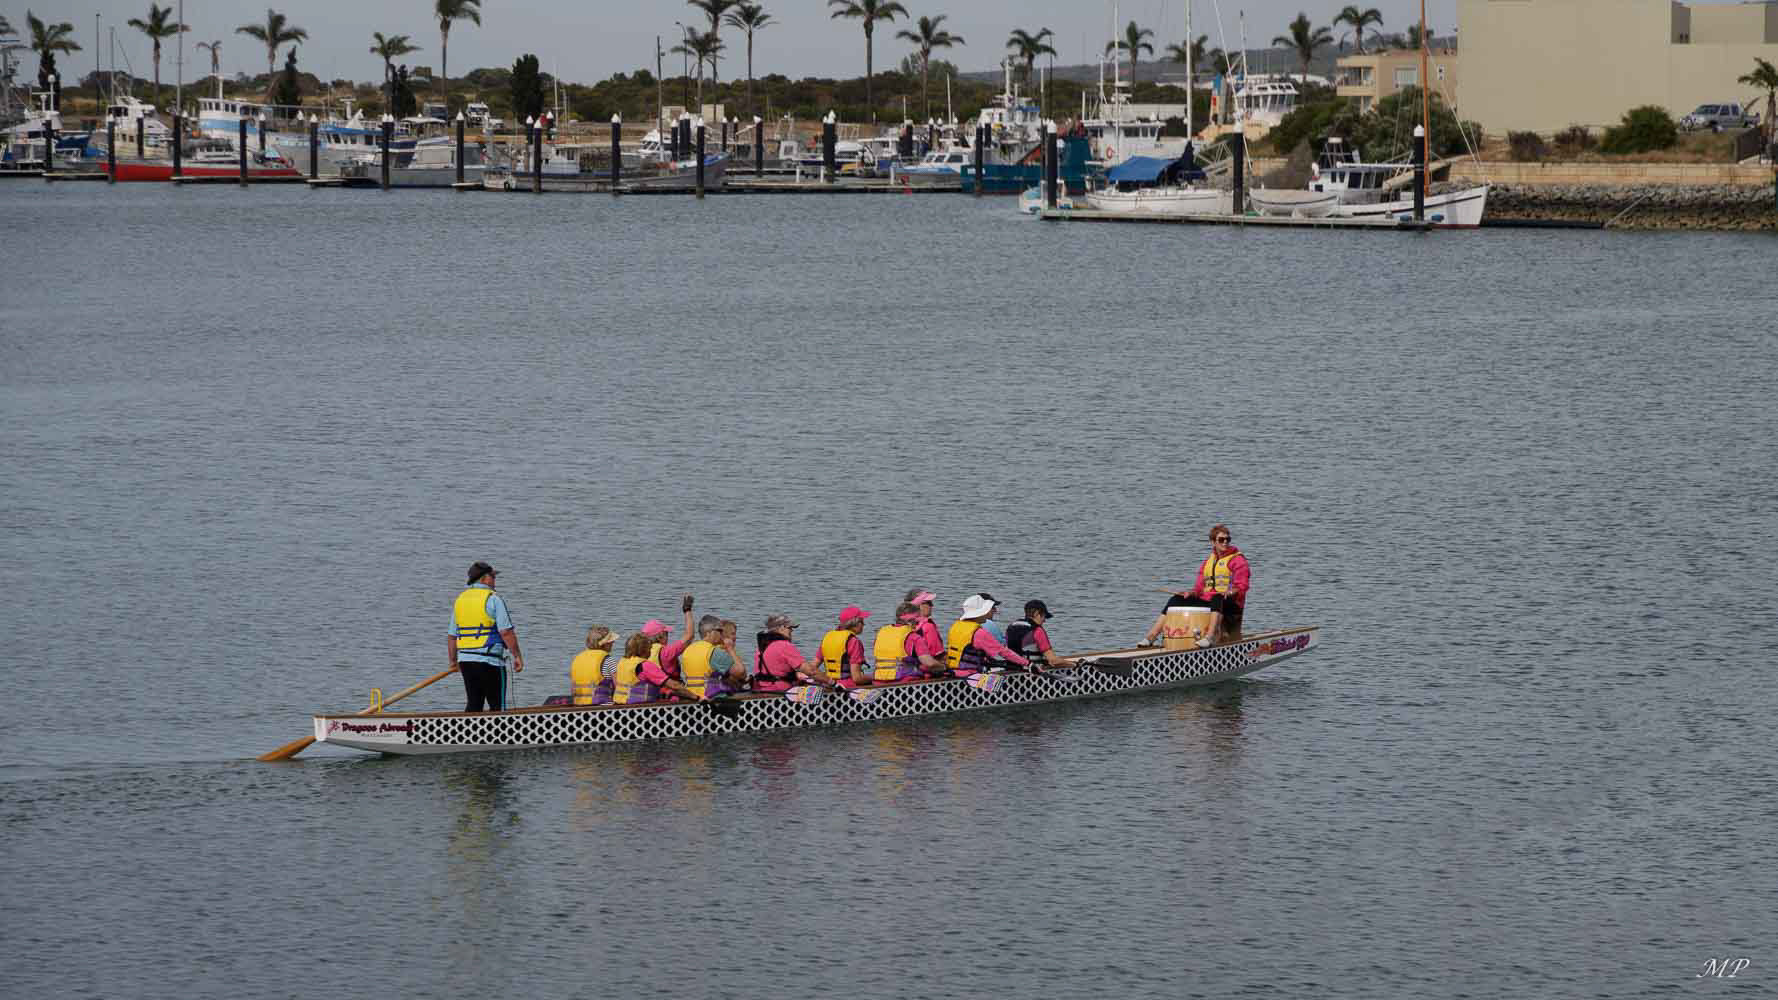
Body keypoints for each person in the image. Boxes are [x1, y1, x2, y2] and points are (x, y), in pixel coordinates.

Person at [1144, 523, 1250, 648]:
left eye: (1228, 539)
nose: (1225, 542)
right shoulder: (1208, 562)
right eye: (1221, 540)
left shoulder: (1238, 560)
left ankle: (1210, 637)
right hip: (1210, 601)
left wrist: (1230, 592)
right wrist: (1191, 593)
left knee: (1217, 598)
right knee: (1176, 599)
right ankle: (1151, 636)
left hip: (1231, 603)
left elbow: (1242, 586)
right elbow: (1199, 589)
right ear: (1213, 542)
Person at [448, 561, 525, 712]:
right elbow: (506, 632)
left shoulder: (460, 600)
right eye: (493, 577)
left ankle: (469, 734)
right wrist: (517, 656)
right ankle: (500, 734)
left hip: (466, 661)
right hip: (490, 661)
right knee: (497, 707)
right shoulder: (493, 598)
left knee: (474, 705)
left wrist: (452, 661)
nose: (495, 581)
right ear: (484, 579)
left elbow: (452, 636)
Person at [945, 594, 1029, 676]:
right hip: (971, 675)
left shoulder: (956, 626)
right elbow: (1003, 651)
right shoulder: (979, 633)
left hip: (953, 672)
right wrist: (1028, 663)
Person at [753, 614, 838, 692]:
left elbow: (775, 670)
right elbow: (811, 671)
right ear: (782, 627)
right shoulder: (784, 646)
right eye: (790, 628)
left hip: (761, 687)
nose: (792, 631)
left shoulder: (762, 646)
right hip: (780, 691)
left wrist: (796, 674)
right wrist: (832, 682)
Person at [613, 630, 700, 705]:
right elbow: (674, 685)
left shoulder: (622, 662)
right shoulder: (645, 665)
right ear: (643, 649)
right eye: (649, 648)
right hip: (640, 710)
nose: (650, 652)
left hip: (619, 706)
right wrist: (696, 697)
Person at [681, 614, 750, 699]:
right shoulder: (714, 652)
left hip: (690, 695)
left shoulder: (688, 649)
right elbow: (741, 672)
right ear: (710, 632)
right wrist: (730, 649)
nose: (722, 634)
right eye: (720, 631)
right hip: (710, 698)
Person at [1005, 600, 1078, 670]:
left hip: (1010, 670)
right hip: (1031, 675)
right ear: (1036, 613)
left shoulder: (1011, 626)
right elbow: (1053, 661)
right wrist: (1074, 665)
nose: (1044, 620)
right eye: (1044, 616)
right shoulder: (1037, 630)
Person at [818, 606, 873, 688]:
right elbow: (857, 678)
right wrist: (875, 677)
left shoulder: (828, 637)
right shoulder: (853, 641)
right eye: (861, 622)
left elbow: (813, 666)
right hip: (847, 687)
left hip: (828, 685)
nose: (864, 625)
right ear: (855, 624)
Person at [569, 625, 616, 705]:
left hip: (579, 705)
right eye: (610, 641)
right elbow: (618, 685)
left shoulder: (577, 659)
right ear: (604, 644)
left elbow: (572, 690)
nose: (613, 642)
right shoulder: (608, 660)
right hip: (603, 705)